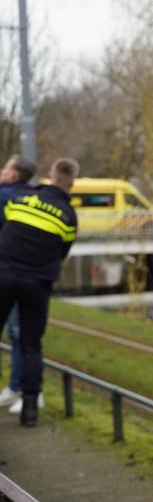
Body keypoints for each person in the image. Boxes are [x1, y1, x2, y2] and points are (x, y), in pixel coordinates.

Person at [0, 157, 79, 426]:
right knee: (30, 345)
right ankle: (30, 409)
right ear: (72, 184)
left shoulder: (21, 198)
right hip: (37, 284)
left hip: (4, 275)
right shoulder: (68, 216)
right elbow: (63, 252)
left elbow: (8, 224)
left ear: (49, 175)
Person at [0, 154, 38, 414]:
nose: (2, 171)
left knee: (17, 333)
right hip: (31, 276)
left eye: (5, 168)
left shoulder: (5, 196)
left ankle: (18, 389)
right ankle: (22, 389)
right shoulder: (31, 198)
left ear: (14, 174)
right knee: (25, 336)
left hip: (8, 273)